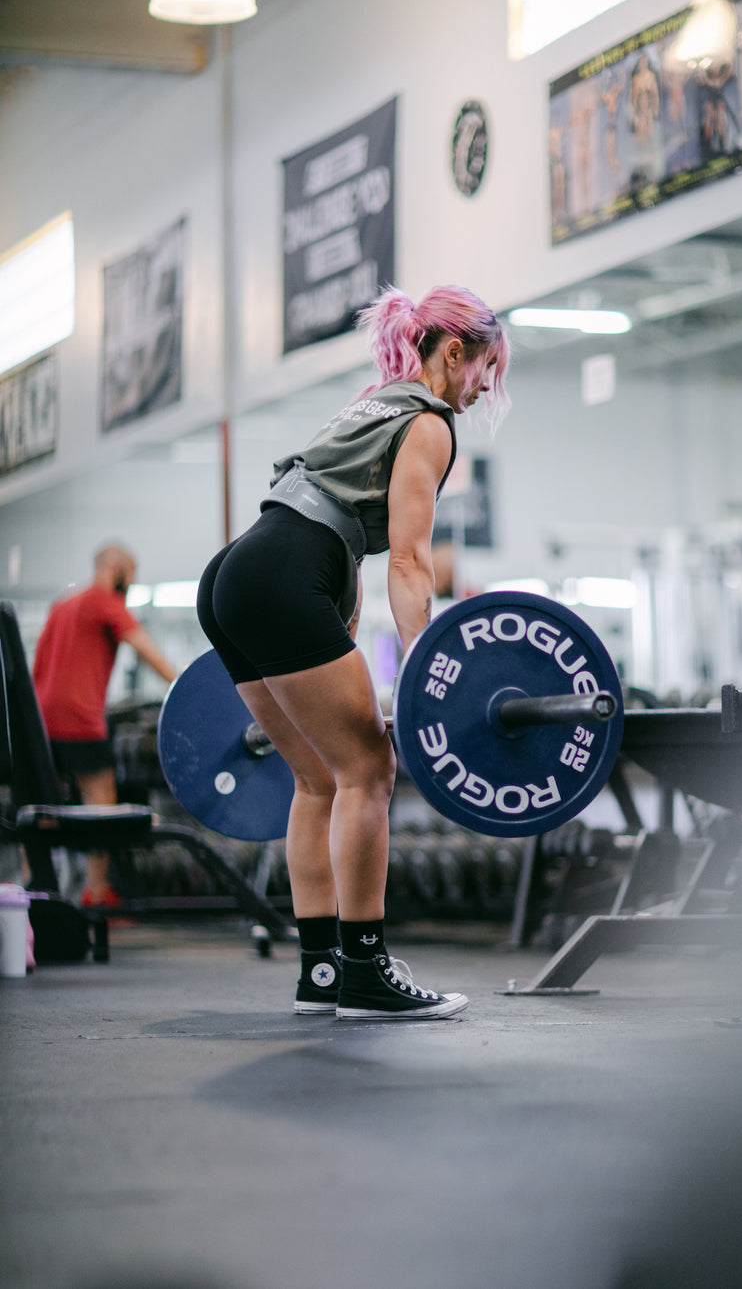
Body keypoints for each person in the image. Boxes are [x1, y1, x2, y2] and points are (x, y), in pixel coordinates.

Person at [196, 284, 510, 1021]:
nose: (484, 388)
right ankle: (365, 969)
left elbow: (336, 546)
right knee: (369, 768)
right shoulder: (428, 424)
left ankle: (322, 976)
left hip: (237, 575)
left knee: (319, 780)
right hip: (281, 579)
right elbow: (407, 560)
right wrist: (432, 670)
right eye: (484, 369)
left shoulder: (378, 402)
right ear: (454, 351)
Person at [33, 544, 177, 907]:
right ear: (117, 570)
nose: (131, 583)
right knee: (101, 801)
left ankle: (37, 889)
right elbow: (144, 648)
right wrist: (183, 685)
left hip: (42, 718)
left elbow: (37, 665)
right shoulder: (103, 600)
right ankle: (96, 893)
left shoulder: (63, 604)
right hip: (80, 719)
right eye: (132, 574)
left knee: (41, 808)